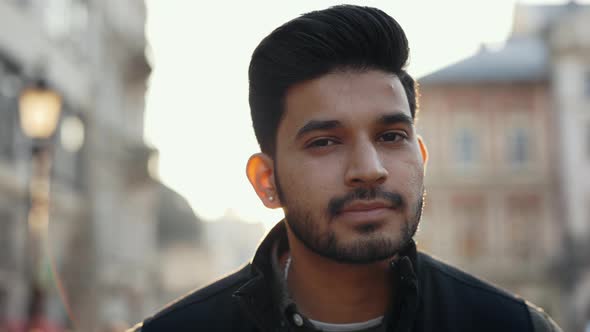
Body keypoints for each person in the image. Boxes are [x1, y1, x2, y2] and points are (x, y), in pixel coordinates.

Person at [129, 5, 562, 332]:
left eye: (392, 136)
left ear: (421, 158)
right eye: (325, 142)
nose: (369, 170)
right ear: (267, 181)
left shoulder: (511, 326)